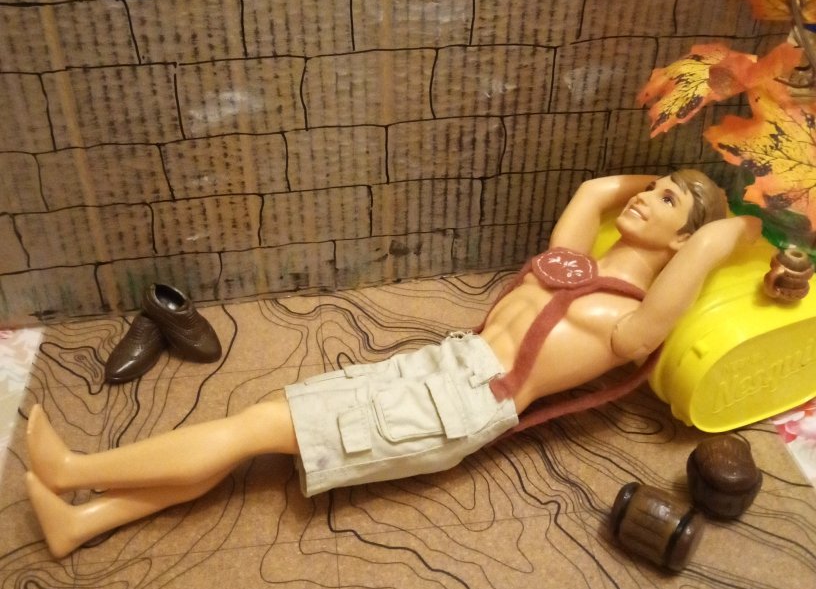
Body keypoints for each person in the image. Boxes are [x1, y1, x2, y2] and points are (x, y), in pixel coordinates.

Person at [24, 170, 761, 558]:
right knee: (258, 428)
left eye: (667, 200)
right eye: (654, 187)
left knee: (251, 430)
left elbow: (705, 245)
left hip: (457, 408)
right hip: (437, 368)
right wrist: (664, 187)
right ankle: (80, 524)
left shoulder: (630, 322)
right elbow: (595, 192)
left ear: (682, 242)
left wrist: (739, 225)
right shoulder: (571, 268)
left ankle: (78, 470)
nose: (647, 198)